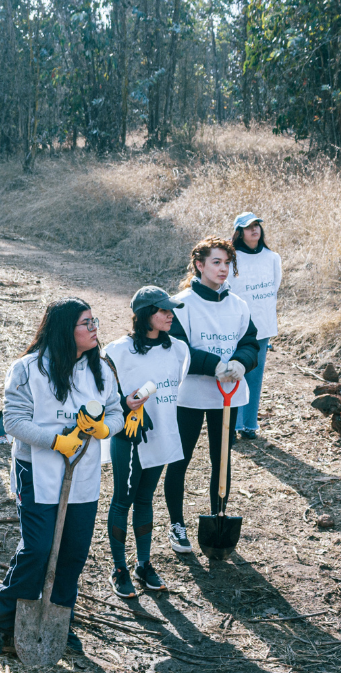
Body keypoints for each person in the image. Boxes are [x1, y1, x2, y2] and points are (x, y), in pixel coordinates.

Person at [0, 299, 122, 656]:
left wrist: (105, 429)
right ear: (63, 330)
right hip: (37, 470)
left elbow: (117, 411)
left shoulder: (101, 370)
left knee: (73, 552)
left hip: (83, 473)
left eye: (94, 321)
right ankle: (3, 623)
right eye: (86, 323)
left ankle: (60, 620)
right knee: (38, 549)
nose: (94, 329)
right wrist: (57, 440)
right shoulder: (28, 369)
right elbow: (13, 422)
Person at [164, 237, 261, 554]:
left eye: (227, 263)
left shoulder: (239, 306)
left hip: (228, 396)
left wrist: (239, 363)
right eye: (216, 262)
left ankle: (219, 513)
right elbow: (177, 348)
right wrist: (213, 365)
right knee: (180, 458)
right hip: (190, 395)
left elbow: (251, 345)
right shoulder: (181, 304)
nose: (223, 269)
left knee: (222, 459)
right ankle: (176, 524)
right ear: (200, 265)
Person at [102, 287, 190, 597]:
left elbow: (175, 387)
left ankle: (143, 564)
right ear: (143, 316)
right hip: (130, 436)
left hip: (162, 434)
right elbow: (103, 394)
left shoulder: (178, 349)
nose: (169, 315)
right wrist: (125, 405)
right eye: (162, 310)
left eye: (171, 310)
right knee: (122, 500)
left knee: (145, 499)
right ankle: (119, 568)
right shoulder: (117, 350)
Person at [228, 213, 282, 440]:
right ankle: (233, 423)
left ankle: (249, 424)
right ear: (239, 233)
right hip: (236, 324)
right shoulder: (231, 258)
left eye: (257, 225)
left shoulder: (272, 257)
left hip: (263, 324)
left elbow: (275, 286)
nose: (254, 230)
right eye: (248, 227)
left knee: (255, 376)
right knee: (235, 372)